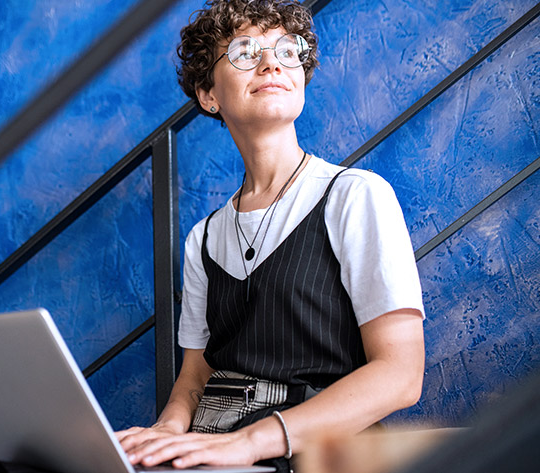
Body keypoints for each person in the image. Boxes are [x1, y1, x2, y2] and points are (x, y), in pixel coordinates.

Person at [116, 0, 425, 471]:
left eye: (286, 49)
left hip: (305, 451)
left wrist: (251, 442)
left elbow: (401, 376)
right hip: (216, 445)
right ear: (207, 94)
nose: (271, 63)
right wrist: (166, 431)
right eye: (244, 51)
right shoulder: (203, 237)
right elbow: (196, 376)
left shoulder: (356, 197)